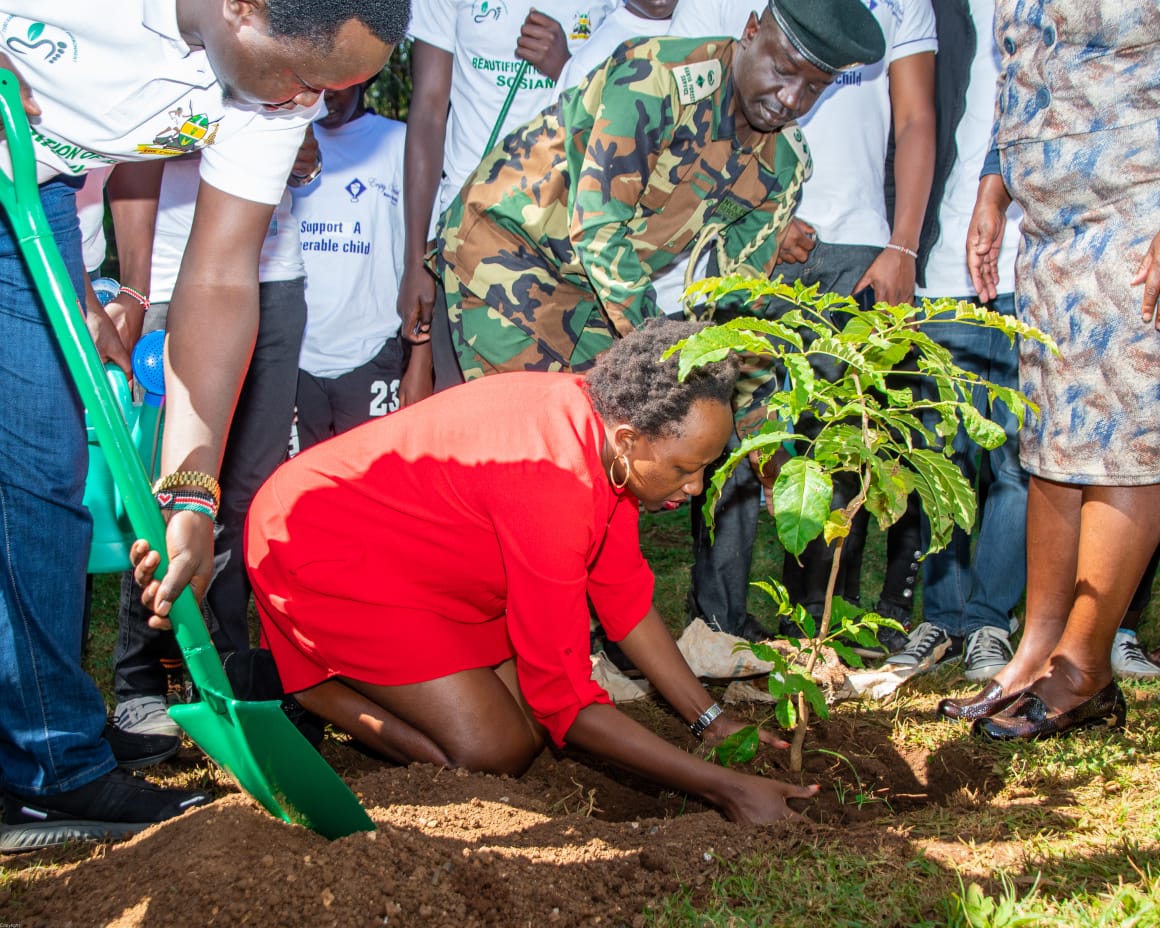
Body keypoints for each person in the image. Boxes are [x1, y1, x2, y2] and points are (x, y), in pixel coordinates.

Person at [0, 0, 405, 852]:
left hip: (36, 195)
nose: (311, 103)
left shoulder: (276, 90)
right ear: (241, 7)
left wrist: (191, 486)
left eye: (334, 89)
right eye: (305, 77)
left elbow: (220, 277)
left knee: (42, 477)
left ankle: (43, 750)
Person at [238, 319, 818, 823]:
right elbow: (565, 698)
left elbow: (623, 599)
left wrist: (711, 723)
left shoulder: (603, 433)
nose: (694, 488)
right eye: (686, 469)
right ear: (628, 440)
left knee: (531, 728)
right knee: (497, 752)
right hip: (323, 544)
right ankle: (313, 688)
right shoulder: (554, 485)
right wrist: (727, 789)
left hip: (421, 553)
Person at [433, 0, 884, 387]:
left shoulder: (783, 164)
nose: (790, 99)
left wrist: (762, 434)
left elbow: (740, 304)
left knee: (619, 436)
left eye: (812, 88)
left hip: (593, 291)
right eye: (782, 71)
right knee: (534, 443)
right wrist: (673, 361)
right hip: (508, 248)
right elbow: (599, 228)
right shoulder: (657, 78)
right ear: (750, 31)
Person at [941, 0, 1160, 738]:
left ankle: (1084, 667)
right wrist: (993, 187)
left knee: (1122, 439)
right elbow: (1021, 72)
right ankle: (1038, 648)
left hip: (1139, 208)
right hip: (1051, 230)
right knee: (1052, 439)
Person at [109, 152, 308, 749]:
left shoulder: (298, 79)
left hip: (272, 278)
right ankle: (139, 683)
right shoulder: (179, 65)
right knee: (168, 490)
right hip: (177, 284)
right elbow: (133, 166)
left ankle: (220, 668)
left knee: (246, 496)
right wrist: (135, 291)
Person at [880, 0, 1027, 684]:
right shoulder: (942, 9)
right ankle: (941, 617)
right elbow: (910, 127)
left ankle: (991, 622)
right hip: (944, 276)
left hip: (1040, 275)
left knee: (1018, 466)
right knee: (945, 457)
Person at [400, 0, 616, 392]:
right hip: (467, 237)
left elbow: (627, 112)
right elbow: (429, 111)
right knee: (467, 414)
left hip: (565, 243)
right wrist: (415, 259)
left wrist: (567, 68)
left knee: (563, 411)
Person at [290, 80, 416, 447]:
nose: (327, 92)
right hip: (296, 358)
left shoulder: (399, 141)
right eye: (316, 80)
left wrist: (420, 360)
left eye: (338, 82)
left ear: (363, 76)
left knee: (371, 485)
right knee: (300, 485)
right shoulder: (283, 138)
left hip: (372, 348)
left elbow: (421, 252)